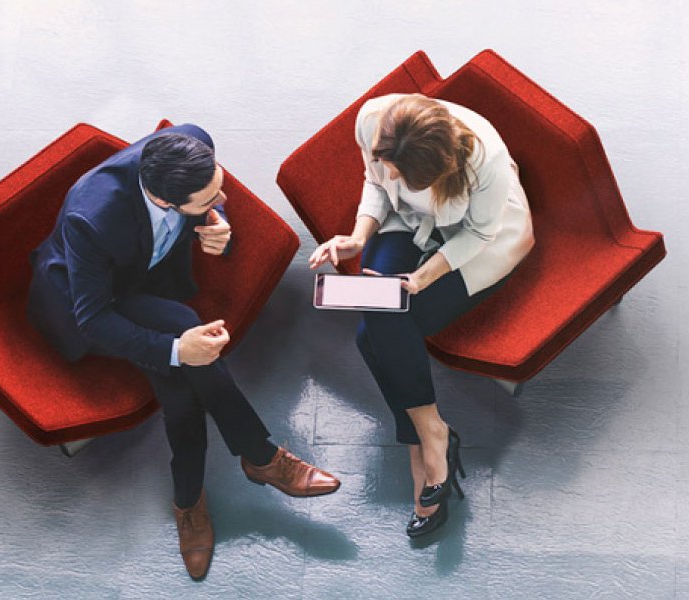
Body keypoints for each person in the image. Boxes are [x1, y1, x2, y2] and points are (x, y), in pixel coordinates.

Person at [27, 123, 340, 580]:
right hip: (93, 300)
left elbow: (214, 207)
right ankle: (257, 459)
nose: (224, 198)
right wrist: (177, 351)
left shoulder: (193, 141)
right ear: (163, 200)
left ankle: (192, 501)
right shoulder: (91, 219)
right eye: (209, 199)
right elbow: (92, 319)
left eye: (219, 186)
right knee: (183, 334)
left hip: (149, 277)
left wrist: (217, 224)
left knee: (179, 391)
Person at [309, 94, 534, 538]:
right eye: (388, 163)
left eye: (400, 171)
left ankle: (421, 441)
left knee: (374, 335)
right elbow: (376, 183)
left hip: (478, 241)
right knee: (380, 319)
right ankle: (431, 434)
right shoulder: (373, 121)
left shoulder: (485, 161)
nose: (391, 174)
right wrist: (358, 238)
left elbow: (479, 234)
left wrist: (423, 277)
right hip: (407, 221)